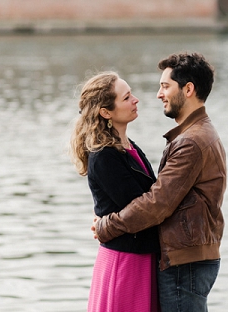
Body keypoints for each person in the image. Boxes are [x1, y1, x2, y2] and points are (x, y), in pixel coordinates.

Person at [93, 52, 226, 312]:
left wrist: (107, 227)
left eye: (165, 86)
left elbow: (156, 204)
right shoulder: (195, 134)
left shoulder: (191, 141)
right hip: (190, 255)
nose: (158, 94)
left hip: (185, 260)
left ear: (188, 89)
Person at [72, 72, 159, 312]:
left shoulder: (130, 148)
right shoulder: (104, 156)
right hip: (125, 262)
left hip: (141, 257)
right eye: (127, 97)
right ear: (106, 112)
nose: (136, 100)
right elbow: (143, 209)